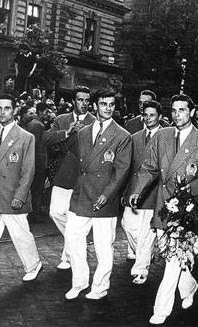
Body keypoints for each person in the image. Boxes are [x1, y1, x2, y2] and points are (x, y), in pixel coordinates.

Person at [128, 94, 198, 325]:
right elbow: (148, 167)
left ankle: (162, 308)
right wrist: (137, 190)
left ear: (192, 112)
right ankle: (189, 287)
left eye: (182, 110)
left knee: (171, 261)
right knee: (173, 256)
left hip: (185, 210)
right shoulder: (162, 136)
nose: (177, 115)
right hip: (162, 206)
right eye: (174, 111)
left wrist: (192, 187)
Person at [64, 89, 132, 300]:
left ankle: (100, 286)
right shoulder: (83, 133)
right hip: (82, 195)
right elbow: (78, 163)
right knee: (73, 238)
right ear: (95, 106)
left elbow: (122, 170)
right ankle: (79, 281)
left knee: (103, 246)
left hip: (104, 197)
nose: (108, 108)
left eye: (112, 104)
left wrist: (108, 194)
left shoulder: (122, 135)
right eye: (104, 104)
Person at [0, 94, 42, 288]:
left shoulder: (25, 137)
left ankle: (33, 265)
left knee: (21, 235)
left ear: (14, 110)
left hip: (13, 195)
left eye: (7, 108)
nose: (3, 112)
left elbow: (28, 170)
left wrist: (20, 195)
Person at [43, 86, 95, 270]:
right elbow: (46, 139)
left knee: (74, 218)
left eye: (87, 100)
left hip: (83, 176)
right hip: (63, 174)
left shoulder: (95, 121)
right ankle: (76, 244)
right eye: (80, 100)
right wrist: (68, 132)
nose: (84, 103)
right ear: (73, 101)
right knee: (55, 213)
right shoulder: (61, 119)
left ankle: (67, 256)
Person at [121, 100, 163, 284]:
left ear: (160, 117)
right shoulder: (135, 137)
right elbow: (128, 166)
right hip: (134, 188)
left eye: (152, 115)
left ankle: (141, 269)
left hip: (154, 190)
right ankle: (144, 254)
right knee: (127, 224)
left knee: (147, 231)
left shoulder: (166, 137)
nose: (148, 118)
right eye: (145, 115)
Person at [27, 102, 53, 223]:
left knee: (36, 188)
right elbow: (35, 145)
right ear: (41, 112)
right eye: (46, 112)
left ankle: (34, 212)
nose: (48, 114)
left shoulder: (37, 124)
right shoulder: (37, 125)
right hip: (38, 162)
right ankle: (33, 214)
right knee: (36, 189)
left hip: (38, 161)